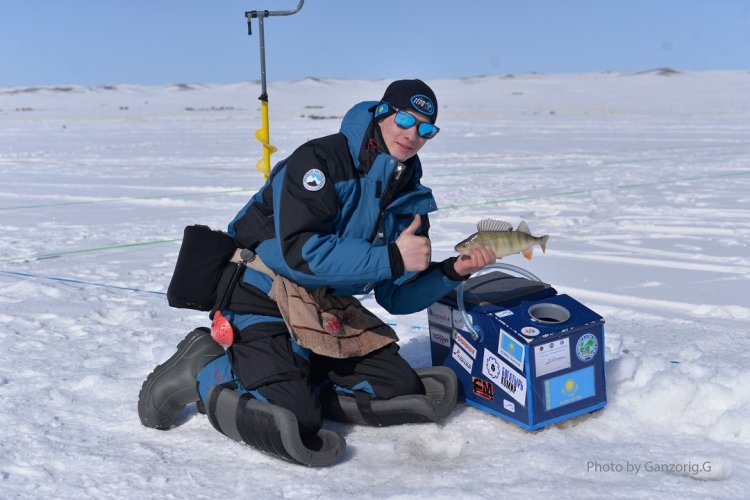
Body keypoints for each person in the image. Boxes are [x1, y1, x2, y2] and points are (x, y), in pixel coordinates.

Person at [138, 79, 497, 466]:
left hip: (324, 304)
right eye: (404, 120)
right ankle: (204, 368)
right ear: (381, 114)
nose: (412, 135)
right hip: (260, 289)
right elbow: (299, 254)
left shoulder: (410, 199)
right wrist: (393, 256)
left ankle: (297, 365)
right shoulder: (320, 161)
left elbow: (396, 295)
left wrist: (452, 271)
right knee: (295, 415)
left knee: (398, 386)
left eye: (426, 129)